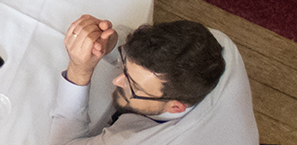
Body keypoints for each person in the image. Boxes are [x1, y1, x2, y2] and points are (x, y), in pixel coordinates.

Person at [50, 17, 258, 144]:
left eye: (134, 85)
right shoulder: (219, 46)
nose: (117, 81)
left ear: (175, 107)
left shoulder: (134, 142)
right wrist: (114, 45)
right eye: (126, 67)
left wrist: (78, 73)